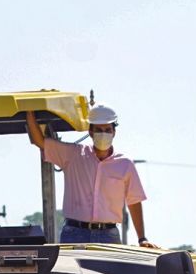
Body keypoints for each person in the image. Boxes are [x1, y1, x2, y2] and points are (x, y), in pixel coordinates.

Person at [26, 104, 149, 246]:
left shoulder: (125, 164)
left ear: (114, 132)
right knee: (68, 269)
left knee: (108, 270)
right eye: (99, 130)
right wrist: (29, 111)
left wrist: (142, 238)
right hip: (74, 233)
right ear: (90, 132)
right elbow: (40, 142)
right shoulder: (73, 155)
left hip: (108, 235)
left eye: (108, 130)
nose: (104, 134)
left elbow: (134, 201)